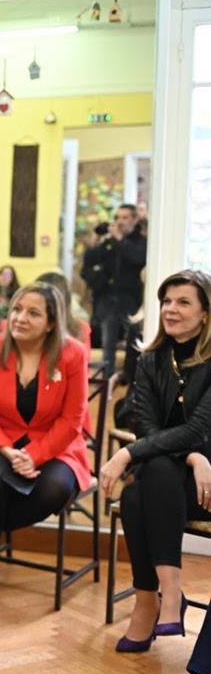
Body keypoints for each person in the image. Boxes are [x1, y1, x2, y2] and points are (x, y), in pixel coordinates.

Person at [100, 270, 211, 654]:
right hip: (169, 476)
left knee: (141, 487)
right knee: (146, 483)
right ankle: (165, 594)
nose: (170, 309)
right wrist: (191, 455)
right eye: (166, 301)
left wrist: (126, 453)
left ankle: (150, 601)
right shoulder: (149, 359)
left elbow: (199, 428)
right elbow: (146, 426)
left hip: (205, 485)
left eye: (183, 302)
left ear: (205, 313)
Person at [0, 282, 91, 608]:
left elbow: (72, 420)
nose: (20, 318)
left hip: (56, 444)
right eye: (17, 309)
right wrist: (7, 451)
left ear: (51, 323)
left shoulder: (73, 353)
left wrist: (34, 455)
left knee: (54, 490)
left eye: (33, 313)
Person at [82, 204, 147, 368]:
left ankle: (130, 377)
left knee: (133, 341)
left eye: (125, 217)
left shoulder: (140, 242)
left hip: (130, 300)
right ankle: (107, 378)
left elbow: (138, 258)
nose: (120, 222)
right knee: (108, 343)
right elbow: (89, 264)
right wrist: (94, 242)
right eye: (117, 217)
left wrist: (120, 239)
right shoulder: (109, 242)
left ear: (134, 220)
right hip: (108, 300)